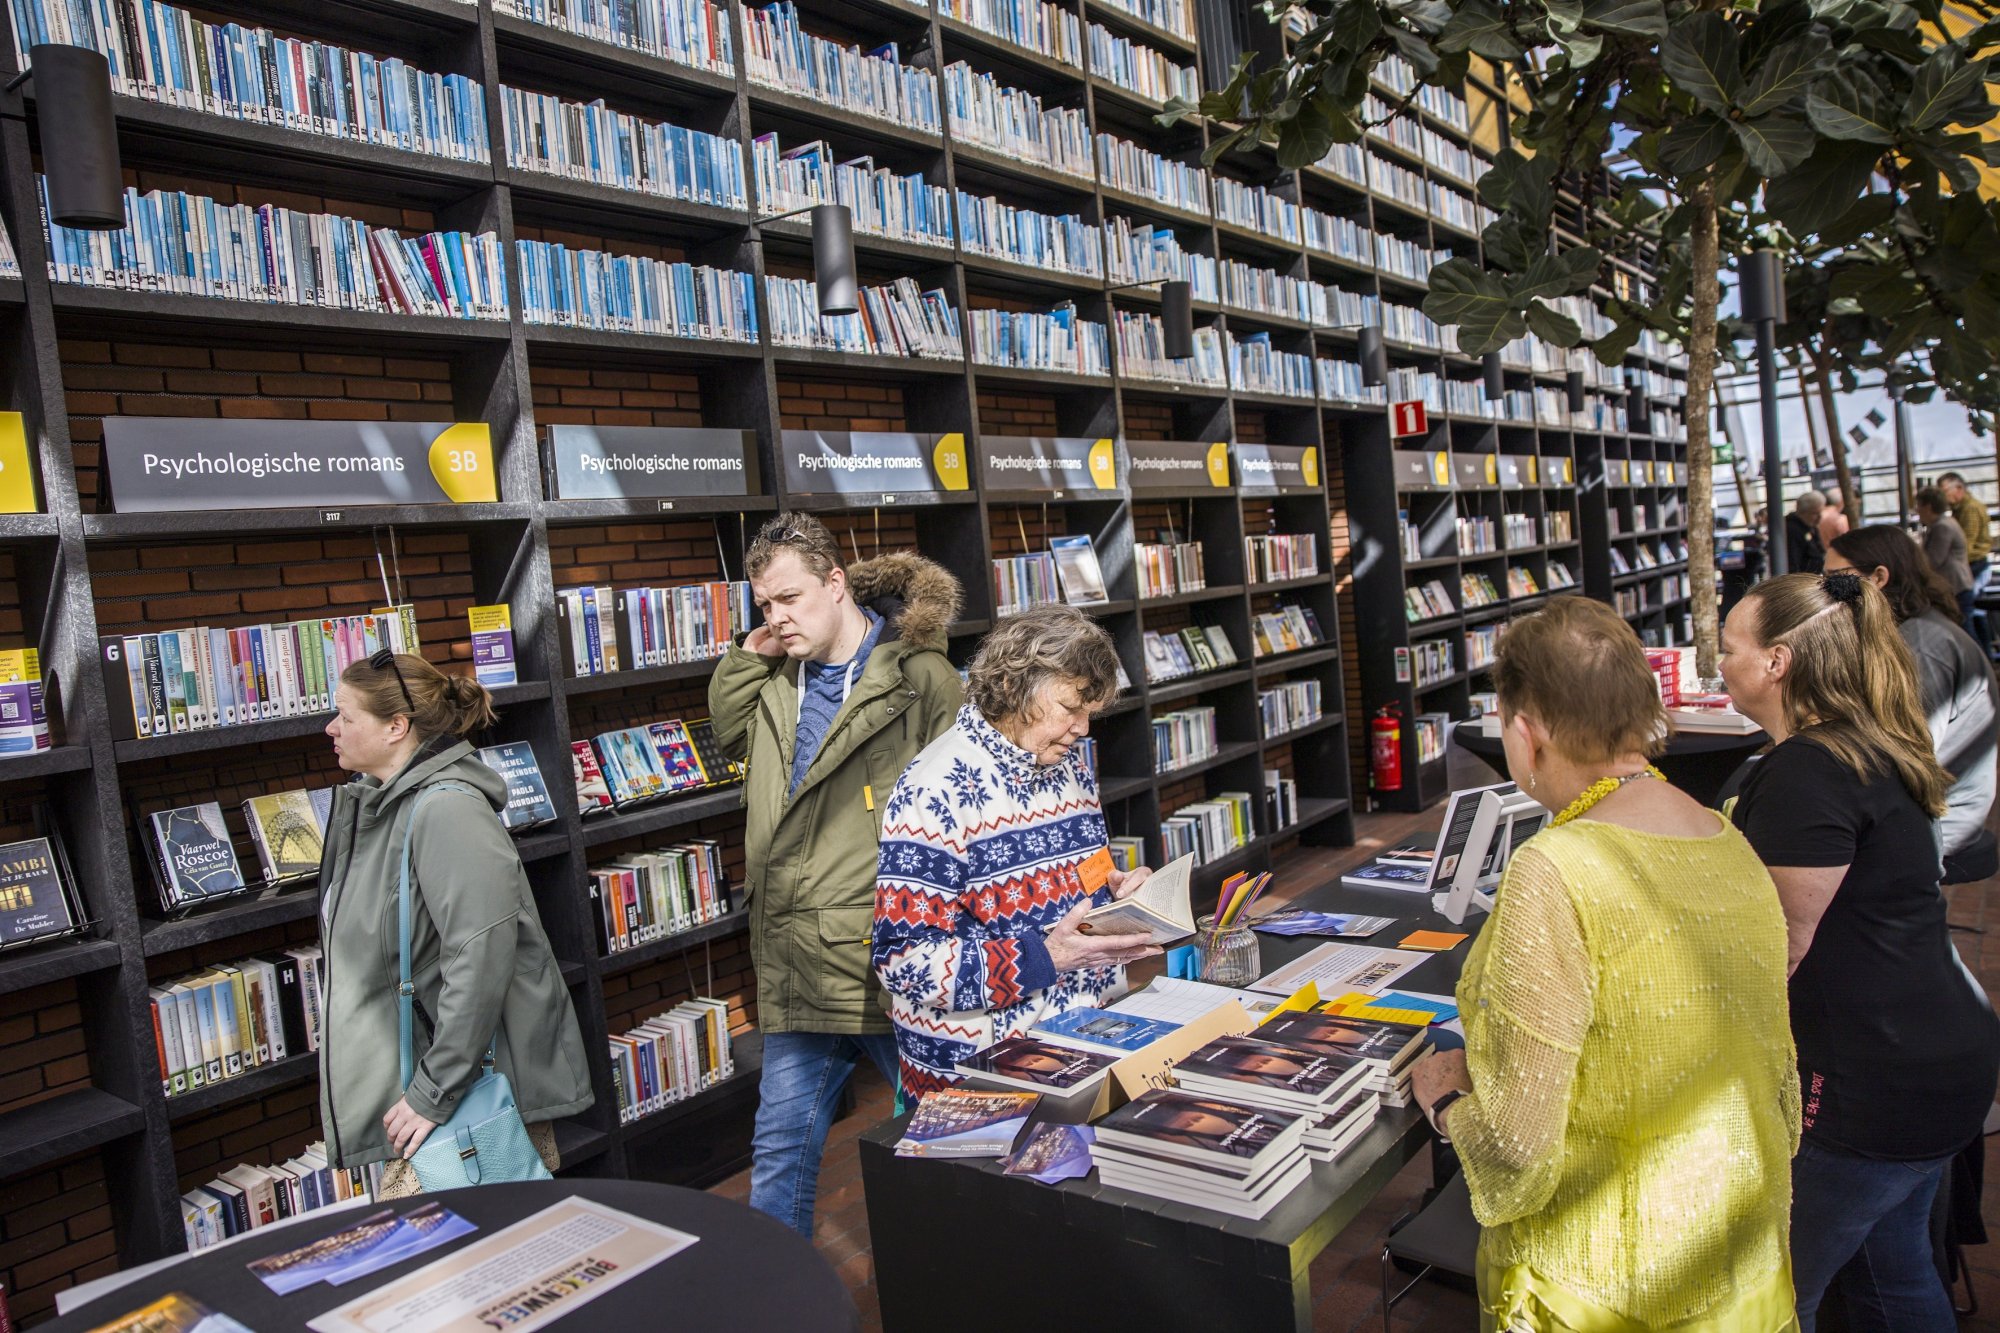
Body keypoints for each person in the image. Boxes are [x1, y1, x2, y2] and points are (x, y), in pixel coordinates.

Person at [1407, 595, 1798, 1332]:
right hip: (1737, 1259)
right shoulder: (1723, 835)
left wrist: (1449, 1103)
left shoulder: (1554, 868)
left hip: (1604, 1281)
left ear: (1526, 734)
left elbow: (1520, 1149)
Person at [1721, 571, 2000, 1329]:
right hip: (1936, 1063)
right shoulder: (1869, 740)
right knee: (1893, 1272)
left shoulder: (1807, 769)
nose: (1718, 662)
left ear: (1777, 661)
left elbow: (1774, 949)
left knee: (1772, 1293)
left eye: (1728, 646)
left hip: (1868, 1086)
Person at [708, 512, 963, 1238]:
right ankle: (772, 1307)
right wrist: (749, 653)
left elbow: (960, 811)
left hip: (886, 960)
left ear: (836, 581)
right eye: (763, 604)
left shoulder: (920, 677)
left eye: (789, 598)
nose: (777, 617)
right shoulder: (774, 680)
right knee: (779, 1158)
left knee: (943, 1137)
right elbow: (726, 731)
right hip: (794, 958)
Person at [318, 652, 593, 1196]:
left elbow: (482, 957)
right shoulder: (384, 808)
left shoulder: (446, 810)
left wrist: (433, 1090)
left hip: (455, 1100)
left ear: (396, 727)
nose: (331, 728)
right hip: (423, 1089)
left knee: (478, 1263)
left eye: (346, 716)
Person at [873, 606, 1160, 1098]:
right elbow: (904, 962)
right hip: (985, 1076)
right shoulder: (934, 790)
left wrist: (1116, 894)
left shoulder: (1069, 767)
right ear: (1014, 688)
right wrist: (1044, 958)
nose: (1084, 728)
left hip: (1085, 1039)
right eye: (1072, 708)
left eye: (1090, 711)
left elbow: (1083, 882)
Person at [1827, 525, 1996, 856]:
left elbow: (1904, 751)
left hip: (1941, 818)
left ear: (1879, 577)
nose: (1826, 590)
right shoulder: (1914, 630)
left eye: (1835, 578)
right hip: (1929, 806)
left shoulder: (1922, 643)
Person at [1915, 485, 1976, 626]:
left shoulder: (1942, 527)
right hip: (1958, 586)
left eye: (1919, 505)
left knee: (1964, 631)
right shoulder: (1943, 523)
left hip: (1956, 587)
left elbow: (1934, 560)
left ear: (1928, 507)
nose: (1917, 510)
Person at [1940, 470, 1992, 601]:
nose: (1942, 497)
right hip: (1970, 564)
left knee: (1968, 607)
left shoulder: (1970, 509)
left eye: (1944, 491)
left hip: (1974, 564)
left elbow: (1967, 543)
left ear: (1959, 488)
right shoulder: (1960, 508)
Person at [1787, 490, 1827, 574]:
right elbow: (1793, 562)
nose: (1819, 517)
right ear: (1803, 512)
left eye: (1820, 513)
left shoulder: (1811, 527)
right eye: (1815, 513)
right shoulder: (1792, 529)